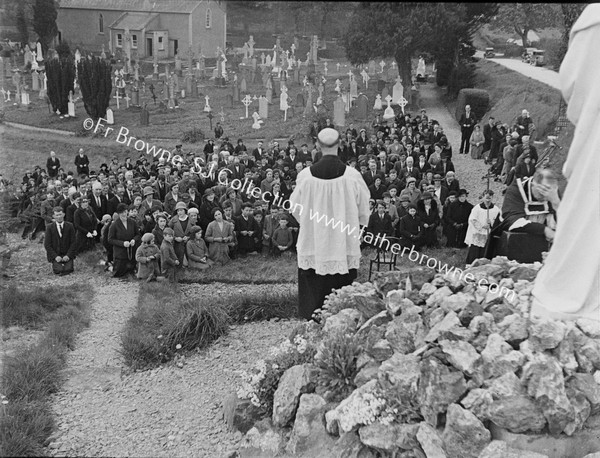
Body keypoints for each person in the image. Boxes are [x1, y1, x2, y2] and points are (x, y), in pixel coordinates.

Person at [532, 3, 600, 321]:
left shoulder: (593, 21)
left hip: (595, 138)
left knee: (588, 208)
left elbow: (572, 83)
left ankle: (571, 285)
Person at [290, 128, 370, 320]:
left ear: (317, 145)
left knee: (313, 311)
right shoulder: (352, 176)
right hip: (343, 247)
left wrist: (313, 225)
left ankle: (310, 343)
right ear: (340, 144)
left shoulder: (306, 177)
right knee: (341, 309)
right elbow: (364, 212)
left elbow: (295, 209)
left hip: (313, 244)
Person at [465, 190, 500, 264]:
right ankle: (472, 263)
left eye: (490, 196)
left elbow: (498, 222)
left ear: (492, 197)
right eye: (486, 196)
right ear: (483, 197)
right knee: (476, 250)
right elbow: (472, 219)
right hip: (478, 232)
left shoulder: (496, 209)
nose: (488, 197)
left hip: (489, 233)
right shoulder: (477, 208)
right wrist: (482, 226)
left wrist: (491, 224)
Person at [108, 203, 141, 278]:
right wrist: (122, 243)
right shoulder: (114, 225)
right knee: (118, 273)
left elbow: (138, 235)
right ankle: (110, 267)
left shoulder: (132, 222)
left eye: (125, 212)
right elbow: (110, 239)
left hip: (131, 252)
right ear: (119, 214)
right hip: (120, 253)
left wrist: (134, 240)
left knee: (131, 271)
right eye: (122, 213)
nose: (124, 214)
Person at [44, 207, 77, 275]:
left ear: (64, 214)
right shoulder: (49, 227)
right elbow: (47, 244)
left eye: (60, 214)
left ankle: (67, 265)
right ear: (53, 216)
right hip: (56, 255)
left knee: (69, 269)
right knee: (58, 270)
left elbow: (73, 242)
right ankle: (58, 266)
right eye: (57, 215)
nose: (59, 217)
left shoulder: (70, 226)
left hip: (67, 254)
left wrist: (68, 255)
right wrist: (55, 256)